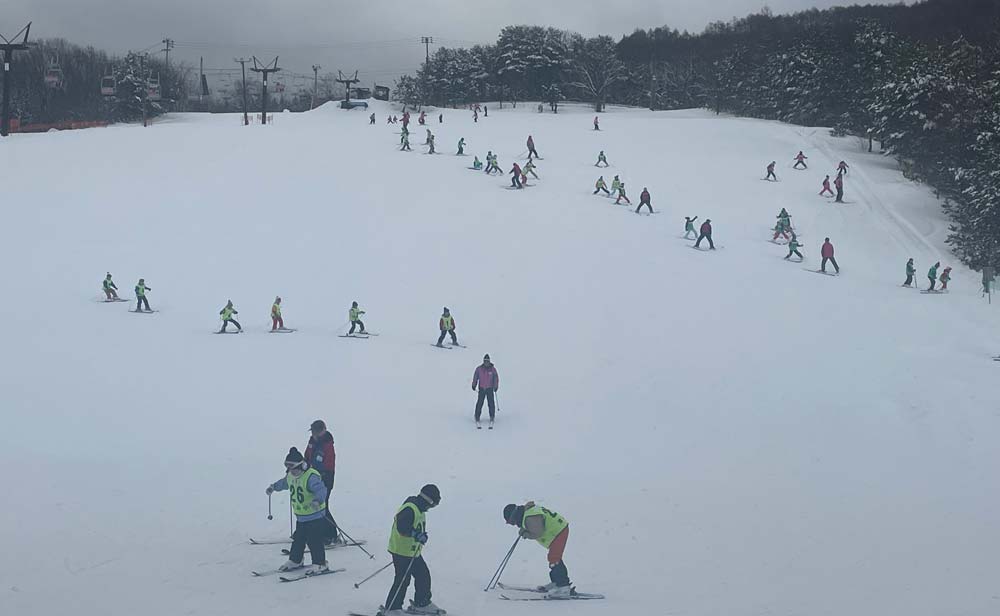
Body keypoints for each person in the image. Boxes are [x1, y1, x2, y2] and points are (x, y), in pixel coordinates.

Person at [382, 485, 443, 616]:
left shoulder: (419, 508)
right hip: (401, 551)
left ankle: (422, 602)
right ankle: (392, 608)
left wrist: (421, 535)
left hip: (411, 552)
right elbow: (402, 527)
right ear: (428, 500)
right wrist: (416, 534)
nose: (430, 508)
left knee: (423, 575)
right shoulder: (410, 509)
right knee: (403, 579)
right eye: (432, 505)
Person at [266, 447, 329, 574]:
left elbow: (322, 490)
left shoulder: (310, 476)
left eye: (293, 468)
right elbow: (284, 483)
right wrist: (274, 487)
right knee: (298, 539)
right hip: (301, 516)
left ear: (302, 465)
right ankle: (296, 560)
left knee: (314, 540)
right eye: (288, 468)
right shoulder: (290, 475)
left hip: (315, 515)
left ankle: (320, 563)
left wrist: (317, 500)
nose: (291, 471)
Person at [502, 501, 571, 598]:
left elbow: (538, 532)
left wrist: (525, 534)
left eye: (512, 522)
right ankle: (557, 582)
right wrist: (524, 529)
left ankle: (563, 587)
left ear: (514, 517)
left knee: (554, 558)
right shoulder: (528, 513)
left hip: (559, 531)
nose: (514, 524)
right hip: (558, 529)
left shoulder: (530, 517)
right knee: (554, 557)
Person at [305, 419, 339, 545]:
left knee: (323, 505)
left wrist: (322, 478)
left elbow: (329, 465)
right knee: (310, 503)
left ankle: (331, 534)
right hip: (312, 477)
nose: (314, 434)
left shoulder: (328, 444)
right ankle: (309, 531)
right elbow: (307, 455)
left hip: (325, 478)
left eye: (316, 432)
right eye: (313, 432)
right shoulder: (312, 441)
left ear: (323, 431)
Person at [472, 354, 499, 427]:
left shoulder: (493, 369)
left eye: (487, 361)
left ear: (489, 361)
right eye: (485, 361)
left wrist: (495, 386)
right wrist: (474, 384)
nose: (486, 362)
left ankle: (492, 416)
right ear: (483, 361)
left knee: (491, 403)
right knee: (480, 403)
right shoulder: (479, 369)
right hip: (482, 388)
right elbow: (475, 376)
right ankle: (477, 416)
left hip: (489, 388)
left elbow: (496, 378)